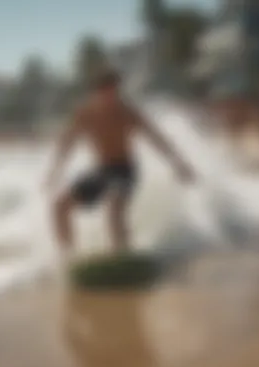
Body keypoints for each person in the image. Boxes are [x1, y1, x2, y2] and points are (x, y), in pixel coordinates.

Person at [45, 69, 195, 256]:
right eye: (106, 92)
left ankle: (122, 255)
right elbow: (67, 142)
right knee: (60, 205)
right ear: (96, 93)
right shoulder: (85, 114)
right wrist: (54, 171)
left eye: (114, 92)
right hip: (101, 170)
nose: (111, 97)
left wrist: (179, 164)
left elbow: (156, 138)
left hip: (125, 169)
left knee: (114, 203)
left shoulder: (127, 113)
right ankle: (69, 258)